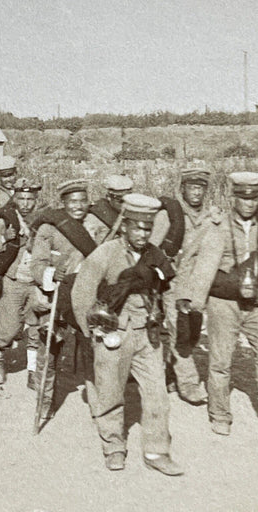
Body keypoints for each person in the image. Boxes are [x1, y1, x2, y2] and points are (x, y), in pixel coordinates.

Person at [72, 193, 183, 476]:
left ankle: (156, 451)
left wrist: (168, 321)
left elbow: (166, 289)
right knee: (110, 392)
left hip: (147, 334)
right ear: (125, 226)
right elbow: (82, 291)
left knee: (157, 393)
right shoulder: (107, 253)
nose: (143, 234)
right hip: (114, 332)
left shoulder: (155, 256)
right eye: (138, 227)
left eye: (148, 228)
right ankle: (114, 446)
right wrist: (92, 330)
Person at [175, 172, 258, 436]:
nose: (249, 204)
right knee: (220, 361)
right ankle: (220, 415)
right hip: (223, 303)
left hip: (257, 305)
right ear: (233, 198)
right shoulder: (216, 224)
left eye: (253, 199)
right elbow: (192, 257)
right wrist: (186, 294)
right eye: (243, 198)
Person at [30, 179, 100, 418]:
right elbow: (37, 264)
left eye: (83, 201)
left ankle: (97, 402)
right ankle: (44, 402)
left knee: (93, 349)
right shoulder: (49, 228)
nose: (78, 207)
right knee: (48, 350)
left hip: (88, 298)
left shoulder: (97, 226)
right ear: (64, 203)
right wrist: (50, 273)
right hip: (57, 297)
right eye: (72, 202)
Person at [149, 168, 213, 404]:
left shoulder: (211, 216)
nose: (196, 192)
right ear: (182, 189)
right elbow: (153, 248)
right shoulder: (170, 216)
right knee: (180, 329)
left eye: (200, 188)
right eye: (191, 187)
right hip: (173, 281)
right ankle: (188, 384)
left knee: (193, 331)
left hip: (200, 282)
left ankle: (170, 371)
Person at [0, 177, 41, 389]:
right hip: (14, 281)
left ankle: (33, 371)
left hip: (37, 282)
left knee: (36, 328)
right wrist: (4, 238)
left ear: (35, 199)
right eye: (21, 198)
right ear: (14, 197)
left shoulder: (42, 220)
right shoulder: (5, 219)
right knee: (7, 329)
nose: (26, 203)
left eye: (30, 198)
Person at [88, 174, 134, 243]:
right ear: (109, 197)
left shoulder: (133, 213)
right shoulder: (95, 216)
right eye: (120, 200)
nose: (124, 204)